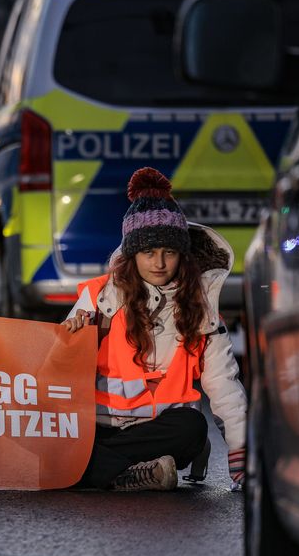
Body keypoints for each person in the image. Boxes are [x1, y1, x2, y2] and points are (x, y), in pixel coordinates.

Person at [63, 167, 246, 491]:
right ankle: (132, 474)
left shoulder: (202, 312)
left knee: (192, 426)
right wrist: (70, 336)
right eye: (148, 252)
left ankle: (98, 470)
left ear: (182, 255)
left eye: (169, 252)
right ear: (132, 255)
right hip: (96, 427)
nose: (159, 263)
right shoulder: (98, 298)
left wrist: (241, 455)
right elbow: (56, 368)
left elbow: (224, 385)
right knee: (56, 445)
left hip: (162, 432)